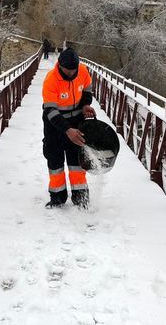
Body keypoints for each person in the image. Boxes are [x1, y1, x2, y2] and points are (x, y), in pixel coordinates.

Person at [42, 47, 95, 209]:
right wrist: (67, 130)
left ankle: (80, 197)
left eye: (74, 70)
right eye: (68, 70)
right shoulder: (51, 79)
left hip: (77, 121)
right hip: (55, 125)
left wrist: (86, 105)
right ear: (60, 65)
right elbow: (50, 111)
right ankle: (57, 197)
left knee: (77, 161)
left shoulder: (82, 70)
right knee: (55, 161)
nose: (72, 73)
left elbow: (87, 88)